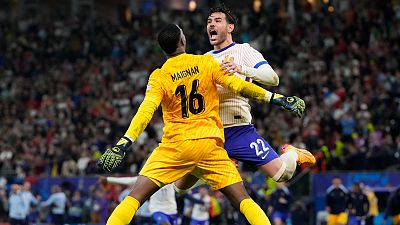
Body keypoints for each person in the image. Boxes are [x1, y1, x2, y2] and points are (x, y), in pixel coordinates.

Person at [97, 23, 305, 225]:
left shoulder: (159, 76)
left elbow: (146, 110)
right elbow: (239, 85)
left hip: (175, 147)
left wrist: (123, 144)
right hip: (210, 145)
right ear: (183, 40)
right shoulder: (205, 63)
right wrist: (277, 99)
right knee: (244, 201)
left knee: (135, 198)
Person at [173, 4, 315, 194]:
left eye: (217, 20)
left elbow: (273, 78)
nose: (211, 25)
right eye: (209, 22)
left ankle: (291, 153)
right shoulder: (204, 59)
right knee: (179, 188)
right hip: (210, 133)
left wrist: (241, 68)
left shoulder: (243, 51)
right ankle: (223, 166)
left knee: (283, 175)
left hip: (239, 130)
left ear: (230, 27)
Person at [100, 176, 178, 225]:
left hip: (172, 211)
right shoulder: (151, 177)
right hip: (157, 210)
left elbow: (182, 188)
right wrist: (108, 179)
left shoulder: (172, 176)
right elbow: (129, 180)